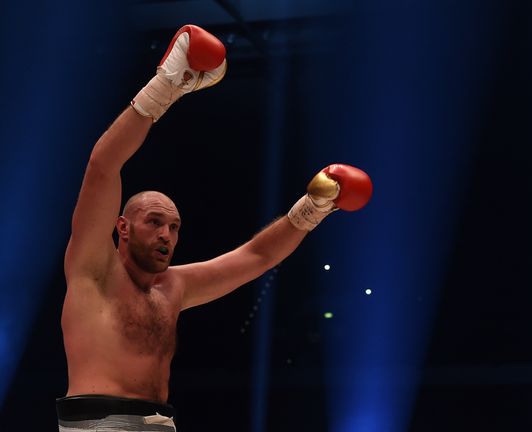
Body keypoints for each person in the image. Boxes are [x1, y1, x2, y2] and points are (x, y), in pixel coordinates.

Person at [56, 24, 372, 432]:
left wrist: (311, 210)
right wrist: (164, 87)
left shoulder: (173, 288)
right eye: (154, 222)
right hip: (97, 424)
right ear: (122, 227)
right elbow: (102, 167)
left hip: (159, 423)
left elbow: (256, 256)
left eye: (174, 226)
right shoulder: (92, 270)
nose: (166, 235)